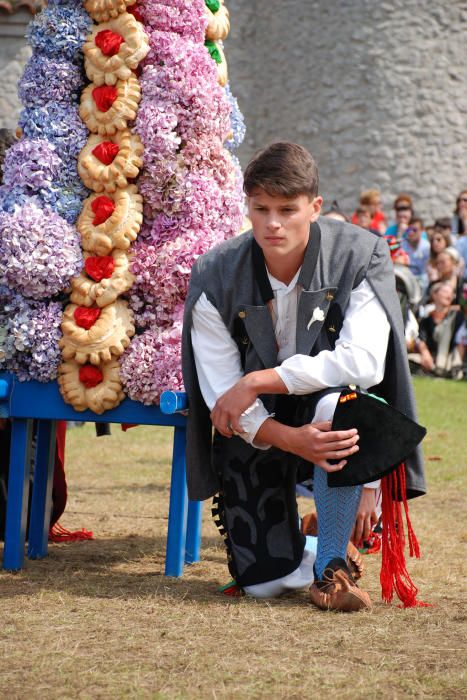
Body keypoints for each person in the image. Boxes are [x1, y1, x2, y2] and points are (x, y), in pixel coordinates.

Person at [182, 142, 426, 612]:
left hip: (334, 411)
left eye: (287, 210)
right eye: (262, 209)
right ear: (246, 207)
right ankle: (316, 542)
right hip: (259, 430)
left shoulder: (361, 254)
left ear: (314, 208)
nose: (273, 223)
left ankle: (331, 568)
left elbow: (365, 364)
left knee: (337, 404)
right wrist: (290, 437)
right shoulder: (215, 274)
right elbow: (223, 398)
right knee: (264, 585)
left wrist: (259, 379)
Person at [416, 282, 464, 378]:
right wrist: (425, 354)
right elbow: (421, 339)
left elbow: (461, 341)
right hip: (432, 358)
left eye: (452, 293)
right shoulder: (426, 318)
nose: (449, 295)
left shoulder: (458, 315)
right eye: (445, 292)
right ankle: (435, 369)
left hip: (451, 358)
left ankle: (444, 368)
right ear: (434, 295)